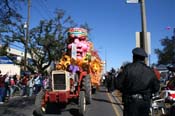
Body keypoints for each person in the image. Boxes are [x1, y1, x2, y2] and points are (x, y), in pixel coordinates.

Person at [115, 47, 160, 116]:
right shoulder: (150, 71)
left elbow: (118, 84)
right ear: (144, 59)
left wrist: (125, 90)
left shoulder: (128, 68)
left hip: (130, 102)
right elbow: (156, 87)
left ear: (133, 57)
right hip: (145, 102)